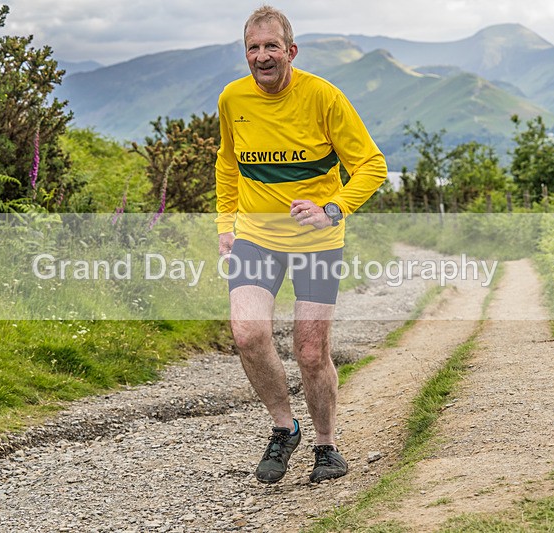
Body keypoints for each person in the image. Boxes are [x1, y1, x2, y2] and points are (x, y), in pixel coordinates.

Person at [215, 5, 387, 484]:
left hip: (318, 241)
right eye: (254, 47)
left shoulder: (323, 97)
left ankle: (327, 446)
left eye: (272, 46)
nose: (262, 56)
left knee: (310, 350)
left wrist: (332, 208)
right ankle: (283, 427)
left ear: (290, 51)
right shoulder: (233, 99)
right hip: (255, 235)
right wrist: (225, 224)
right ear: (245, 53)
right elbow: (228, 164)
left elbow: (372, 165)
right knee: (248, 333)